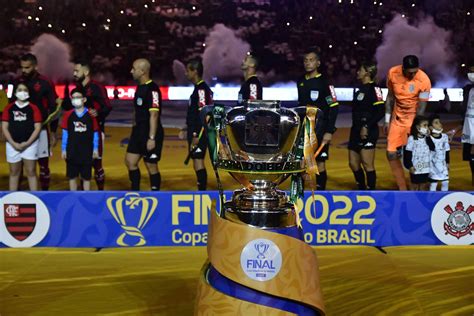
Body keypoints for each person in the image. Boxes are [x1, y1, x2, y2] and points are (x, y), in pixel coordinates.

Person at [385, 55, 431, 190]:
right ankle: (402, 188)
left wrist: (417, 129)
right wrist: (387, 120)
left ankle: (416, 186)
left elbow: (422, 108)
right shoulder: (393, 73)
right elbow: (390, 97)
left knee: (415, 155)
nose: (412, 74)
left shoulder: (424, 80)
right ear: (403, 68)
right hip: (397, 120)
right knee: (391, 153)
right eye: (410, 72)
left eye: (415, 72)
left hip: (414, 119)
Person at [63, 60, 111, 190]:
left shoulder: (96, 87)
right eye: (73, 71)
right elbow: (67, 108)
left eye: (77, 71)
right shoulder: (77, 89)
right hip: (78, 133)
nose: (74, 73)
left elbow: (107, 106)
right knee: (78, 162)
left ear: (86, 71)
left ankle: (100, 191)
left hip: (95, 131)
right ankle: (80, 192)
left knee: (96, 163)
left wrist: (98, 112)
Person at [16, 53, 60, 190]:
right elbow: (10, 106)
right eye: (22, 67)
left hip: (41, 129)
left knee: (43, 165)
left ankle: (44, 194)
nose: (24, 70)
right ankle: (18, 194)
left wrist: (53, 132)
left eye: (27, 67)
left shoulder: (45, 83)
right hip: (20, 130)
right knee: (20, 164)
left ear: (35, 66)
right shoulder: (16, 82)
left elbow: (54, 108)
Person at [297, 49, 339, 190]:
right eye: (305, 60)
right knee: (301, 162)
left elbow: (334, 107)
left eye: (311, 60)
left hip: (320, 129)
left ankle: (321, 194)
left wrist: (329, 131)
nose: (308, 63)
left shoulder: (326, 83)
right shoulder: (301, 82)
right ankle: (300, 194)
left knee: (320, 162)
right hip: (304, 129)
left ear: (318, 63)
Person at [125, 58, 164, 191]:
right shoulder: (139, 87)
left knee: (151, 165)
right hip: (138, 132)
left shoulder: (153, 89)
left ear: (142, 71)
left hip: (150, 132)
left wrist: (151, 138)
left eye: (134, 69)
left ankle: (155, 193)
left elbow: (154, 115)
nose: (131, 71)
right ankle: (135, 191)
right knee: (130, 161)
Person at [348, 61, 384, 190]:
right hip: (355, 130)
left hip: (368, 130)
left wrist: (367, 126)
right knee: (353, 163)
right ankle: (362, 188)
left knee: (367, 163)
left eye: (360, 70)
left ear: (367, 73)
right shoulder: (359, 90)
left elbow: (380, 111)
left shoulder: (376, 89)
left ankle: (371, 191)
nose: (358, 72)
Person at [179, 59, 213, 190]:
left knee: (198, 161)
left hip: (199, 133)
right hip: (196, 131)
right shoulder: (199, 89)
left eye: (188, 70)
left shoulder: (201, 91)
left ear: (195, 71)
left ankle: (202, 191)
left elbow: (204, 114)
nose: (186, 73)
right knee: (196, 161)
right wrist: (187, 127)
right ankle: (201, 188)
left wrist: (196, 134)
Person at [1, 83, 42, 190]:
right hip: (12, 145)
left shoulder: (33, 108)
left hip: (30, 145)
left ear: (28, 93)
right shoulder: (9, 108)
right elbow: (5, 127)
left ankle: (35, 198)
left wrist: (28, 143)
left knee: (31, 172)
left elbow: (37, 127)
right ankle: (12, 199)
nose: (22, 92)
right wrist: (13, 143)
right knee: (14, 172)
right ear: (15, 93)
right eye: (20, 90)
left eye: (25, 90)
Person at [61, 88, 99, 191]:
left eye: (78, 97)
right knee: (72, 177)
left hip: (87, 151)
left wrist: (95, 149)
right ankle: (73, 198)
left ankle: (86, 197)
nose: (75, 100)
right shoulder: (67, 115)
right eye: (73, 98)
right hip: (72, 151)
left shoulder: (91, 115)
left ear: (84, 99)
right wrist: (64, 149)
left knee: (86, 178)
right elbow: (65, 133)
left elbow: (95, 133)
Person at [403, 116, 432, 191]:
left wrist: (428, 137)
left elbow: (432, 147)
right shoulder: (411, 139)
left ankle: (421, 201)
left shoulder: (427, 138)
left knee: (423, 185)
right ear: (417, 127)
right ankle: (412, 200)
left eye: (427, 125)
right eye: (424, 125)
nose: (427, 128)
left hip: (426, 168)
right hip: (415, 168)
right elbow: (408, 154)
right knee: (414, 185)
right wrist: (410, 166)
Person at [428, 114, 450, 191]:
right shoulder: (428, 138)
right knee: (433, 183)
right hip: (432, 165)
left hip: (443, 165)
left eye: (439, 122)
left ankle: (444, 199)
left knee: (446, 182)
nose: (440, 124)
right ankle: (431, 199)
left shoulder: (445, 137)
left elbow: (447, 150)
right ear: (430, 127)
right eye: (436, 123)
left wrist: (447, 163)